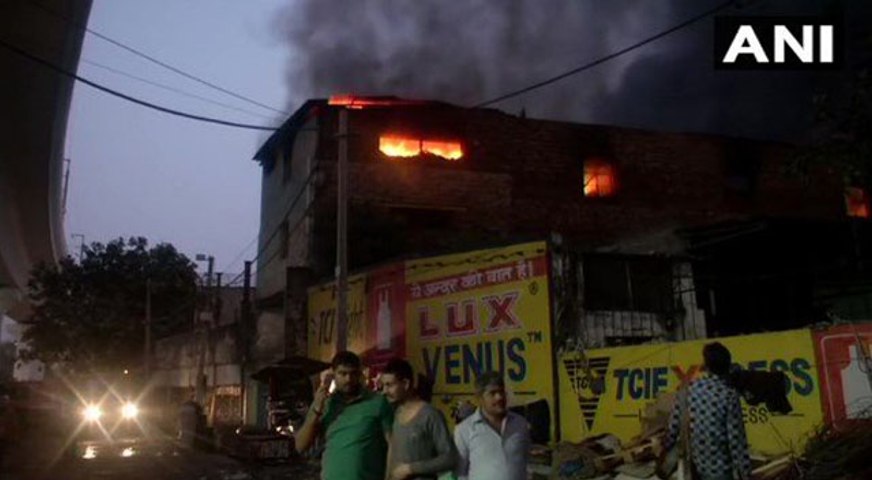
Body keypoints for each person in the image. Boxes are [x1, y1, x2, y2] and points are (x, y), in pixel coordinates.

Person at [295, 351, 393, 480]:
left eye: (353, 374)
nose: (348, 379)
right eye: (343, 374)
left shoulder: (377, 402)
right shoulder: (326, 404)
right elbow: (300, 446)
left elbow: (393, 445)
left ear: (360, 374)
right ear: (333, 374)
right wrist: (316, 410)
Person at [666, 342, 751, 480]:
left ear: (706, 365)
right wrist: (745, 474)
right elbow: (736, 441)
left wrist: (665, 455)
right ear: (727, 367)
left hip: (696, 468)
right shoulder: (729, 395)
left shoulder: (688, 389)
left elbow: (673, 428)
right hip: (721, 472)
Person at [380, 358, 456, 480]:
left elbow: (449, 458)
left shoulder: (430, 415)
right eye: (383, 386)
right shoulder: (397, 413)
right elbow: (392, 450)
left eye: (389, 385)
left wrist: (410, 469)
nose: (384, 391)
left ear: (406, 384)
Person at [453, 371, 530, 480]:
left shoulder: (520, 423)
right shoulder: (464, 430)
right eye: (492, 393)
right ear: (480, 398)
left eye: (502, 392)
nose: (499, 397)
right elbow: (460, 472)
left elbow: (525, 459)